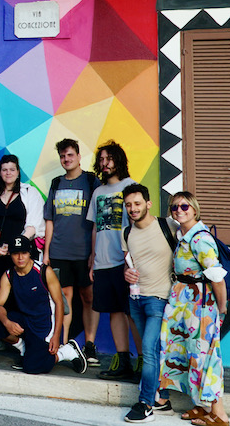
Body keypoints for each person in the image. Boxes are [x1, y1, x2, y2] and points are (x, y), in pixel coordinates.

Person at [159, 192, 229, 426]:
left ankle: (219, 415)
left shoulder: (200, 239)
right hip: (186, 307)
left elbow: (217, 277)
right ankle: (200, 406)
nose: (179, 210)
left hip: (201, 309)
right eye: (174, 207)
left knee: (206, 356)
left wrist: (221, 309)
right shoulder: (184, 235)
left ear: (195, 209)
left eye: (184, 206)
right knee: (191, 355)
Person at [0, 235, 88, 374]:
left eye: (24, 253)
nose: (20, 257)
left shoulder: (44, 271)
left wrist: (56, 335)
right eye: (16, 253)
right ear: (10, 254)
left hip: (43, 324)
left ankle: (66, 352)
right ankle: (24, 349)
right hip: (25, 319)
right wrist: (7, 323)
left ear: (30, 253)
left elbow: (59, 304)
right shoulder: (9, 275)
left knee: (32, 367)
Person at [122, 183, 177, 423]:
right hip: (136, 300)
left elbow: (198, 238)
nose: (132, 209)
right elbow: (128, 263)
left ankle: (145, 403)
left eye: (137, 203)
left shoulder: (168, 225)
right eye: (128, 205)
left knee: (148, 350)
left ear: (148, 203)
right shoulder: (126, 233)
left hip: (159, 299)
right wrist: (126, 273)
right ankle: (161, 398)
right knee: (151, 351)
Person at [43, 138, 101, 364]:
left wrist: (94, 254)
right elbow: (49, 220)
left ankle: (89, 346)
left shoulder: (91, 181)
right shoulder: (56, 183)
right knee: (64, 300)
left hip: (84, 253)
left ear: (78, 156)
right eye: (62, 156)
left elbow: (97, 220)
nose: (66, 159)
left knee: (88, 298)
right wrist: (47, 253)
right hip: (59, 252)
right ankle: (64, 344)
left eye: (70, 155)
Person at [90, 140, 139, 380]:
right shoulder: (98, 192)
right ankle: (122, 362)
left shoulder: (131, 187)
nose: (104, 163)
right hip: (102, 262)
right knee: (114, 313)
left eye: (108, 158)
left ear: (118, 160)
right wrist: (92, 258)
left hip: (126, 263)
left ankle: (142, 362)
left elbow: (139, 226)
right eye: (101, 159)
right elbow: (95, 228)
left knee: (133, 313)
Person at [0, 155, 43, 284]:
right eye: (4, 170)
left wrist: (15, 246)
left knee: (23, 288)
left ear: (18, 172)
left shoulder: (30, 193)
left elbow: (34, 225)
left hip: (22, 254)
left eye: (12, 169)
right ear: (0, 173)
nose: (8, 173)